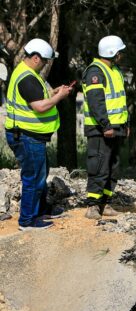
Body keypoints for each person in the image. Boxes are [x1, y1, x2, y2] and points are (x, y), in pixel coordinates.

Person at [5, 38, 71, 230]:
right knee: (33, 178)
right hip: (26, 136)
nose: (45, 64)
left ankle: (41, 210)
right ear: (35, 58)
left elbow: (38, 98)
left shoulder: (28, 74)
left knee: (40, 175)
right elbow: (39, 106)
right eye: (45, 61)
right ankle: (27, 220)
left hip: (31, 136)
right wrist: (59, 97)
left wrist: (55, 92)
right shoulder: (26, 77)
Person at [82, 35, 129, 219]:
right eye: (120, 52)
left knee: (113, 167)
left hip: (116, 127)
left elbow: (121, 100)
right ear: (113, 53)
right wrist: (105, 125)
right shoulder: (96, 71)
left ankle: (106, 203)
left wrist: (125, 124)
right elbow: (96, 102)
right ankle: (92, 206)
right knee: (99, 165)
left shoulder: (115, 70)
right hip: (101, 129)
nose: (121, 55)